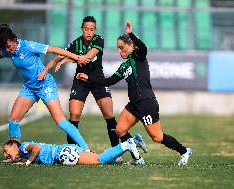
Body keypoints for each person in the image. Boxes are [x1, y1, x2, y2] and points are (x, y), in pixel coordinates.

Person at [76, 20, 192, 166]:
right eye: (117, 48)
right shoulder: (124, 66)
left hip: (146, 103)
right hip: (134, 104)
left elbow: (143, 47)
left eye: (121, 47)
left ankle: (185, 151)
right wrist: (88, 78)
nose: (119, 51)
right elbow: (109, 81)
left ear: (131, 46)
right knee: (120, 130)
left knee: (157, 137)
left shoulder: (138, 56)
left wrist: (131, 34)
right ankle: (137, 157)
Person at [0, 24, 90, 151]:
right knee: (13, 121)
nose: (8, 50)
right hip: (29, 88)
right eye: (5, 48)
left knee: (60, 121)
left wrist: (78, 58)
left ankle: (86, 149)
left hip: (45, 85)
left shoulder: (28, 46)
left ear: (13, 40)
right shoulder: (8, 51)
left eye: (8, 46)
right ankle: (15, 153)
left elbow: (55, 50)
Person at [40, 16, 140, 158]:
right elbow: (57, 57)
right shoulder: (76, 43)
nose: (89, 32)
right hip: (80, 80)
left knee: (109, 114)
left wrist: (67, 59)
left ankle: (116, 153)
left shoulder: (99, 40)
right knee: (74, 115)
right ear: (82, 29)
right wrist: (45, 70)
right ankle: (74, 152)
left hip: (98, 79)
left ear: (95, 30)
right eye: (86, 29)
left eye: (91, 29)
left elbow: (87, 57)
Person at [2, 136, 141, 166]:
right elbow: (19, 157)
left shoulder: (22, 147)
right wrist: (13, 160)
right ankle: (133, 143)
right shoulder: (21, 152)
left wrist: (26, 163)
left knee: (99, 161)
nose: (5, 154)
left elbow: (37, 149)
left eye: (5, 150)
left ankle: (126, 145)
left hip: (63, 154)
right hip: (65, 150)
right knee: (99, 158)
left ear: (14, 146)